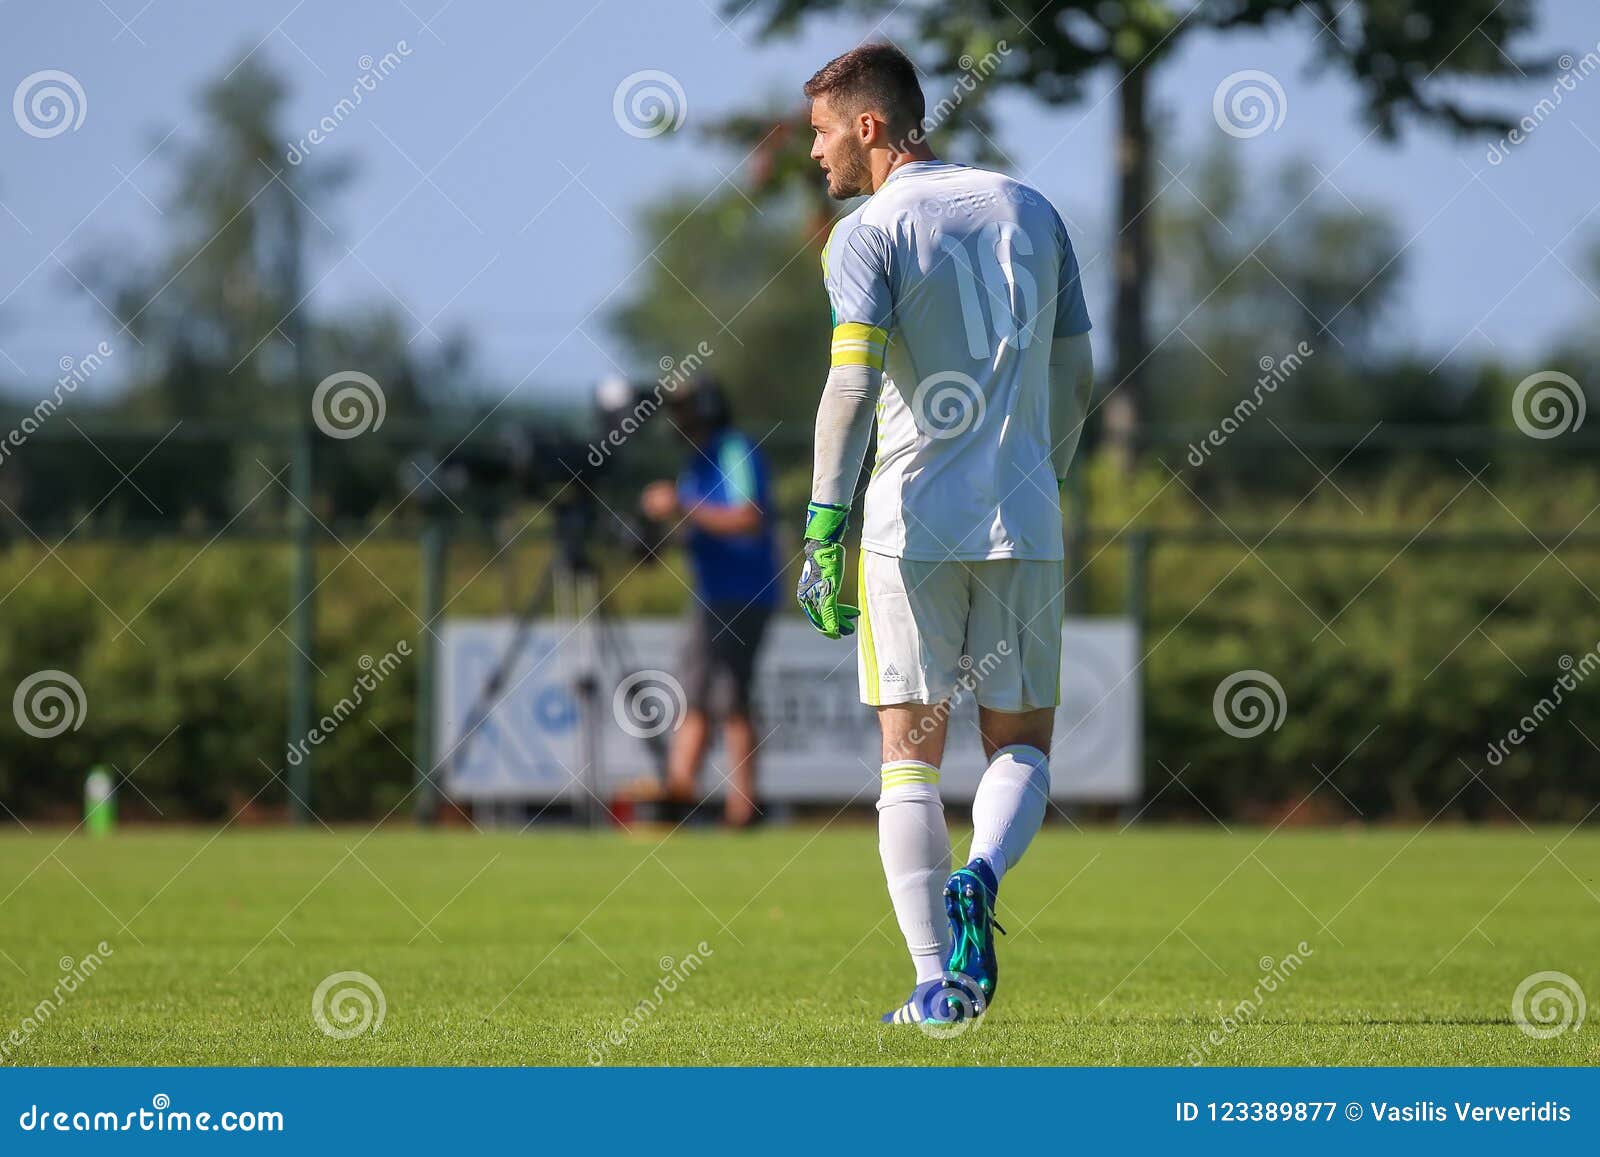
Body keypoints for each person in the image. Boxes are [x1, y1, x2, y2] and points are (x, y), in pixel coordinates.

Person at [793, 44, 1096, 1026]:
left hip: (907, 524)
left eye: (821, 131)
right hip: (1024, 514)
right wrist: (1047, 472)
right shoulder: (1032, 208)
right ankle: (981, 873)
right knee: (1022, 745)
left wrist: (823, 524)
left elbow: (848, 386)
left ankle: (938, 983)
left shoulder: (866, 231)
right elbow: (1077, 371)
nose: (814, 154)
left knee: (907, 754)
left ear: (869, 127)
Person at [639, 376, 780, 828]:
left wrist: (681, 506)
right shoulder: (694, 462)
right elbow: (697, 525)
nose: (676, 418)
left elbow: (747, 516)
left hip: (744, 591)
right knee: (693, 694)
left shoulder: (732, 448)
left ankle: (744, 807)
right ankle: (680, 793)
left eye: (683, 408)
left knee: (731, 698)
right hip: (709, 595)